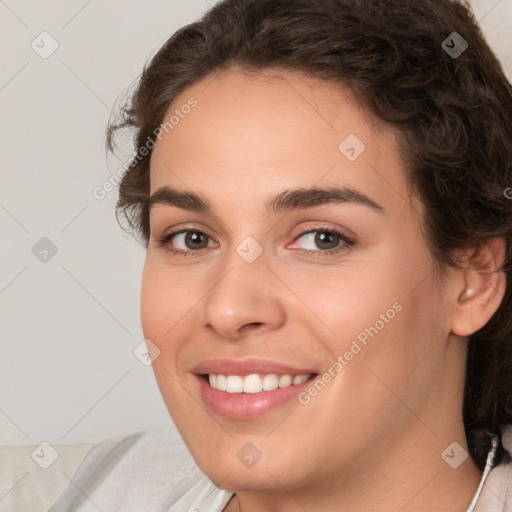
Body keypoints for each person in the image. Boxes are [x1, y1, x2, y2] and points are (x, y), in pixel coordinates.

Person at [50, 0, 512, 510]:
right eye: (192, 238)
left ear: (473, 278)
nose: (228, 310)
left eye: (321, 238)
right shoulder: (109, 488)